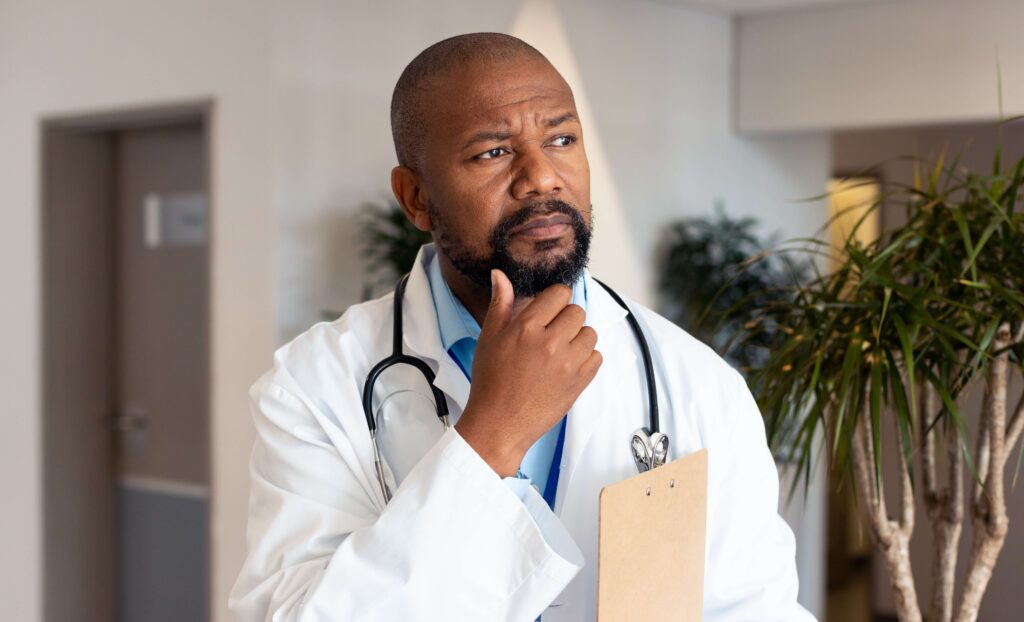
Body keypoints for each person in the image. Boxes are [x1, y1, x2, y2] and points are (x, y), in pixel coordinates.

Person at [229, 32, 814, 621]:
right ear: (415, 198)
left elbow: (754, 608)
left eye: (562, 139)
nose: (541, 177)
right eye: (493, 153)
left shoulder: (697, 383)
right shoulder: (313, 387)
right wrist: (492, 436)